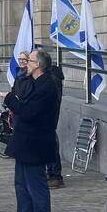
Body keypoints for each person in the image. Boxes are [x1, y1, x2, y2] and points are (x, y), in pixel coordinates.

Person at [0, 49, 59, 212]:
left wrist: (9, 99)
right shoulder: (32, 81)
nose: (26, 64)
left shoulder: (47, 85)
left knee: (36, 184)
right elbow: (23, 98)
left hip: (36, 141)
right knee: (21, 183)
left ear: (38, 65)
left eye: (30, 61)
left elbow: (29, 111)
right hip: (24, 140)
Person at [45, 60, 66, 189]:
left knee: (51, 147)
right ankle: (51, 173)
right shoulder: (49, 77)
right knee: (47, 147)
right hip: (47, 117)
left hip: (49, 118)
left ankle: (56, 176)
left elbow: (52, 100)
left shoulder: (52, 79)